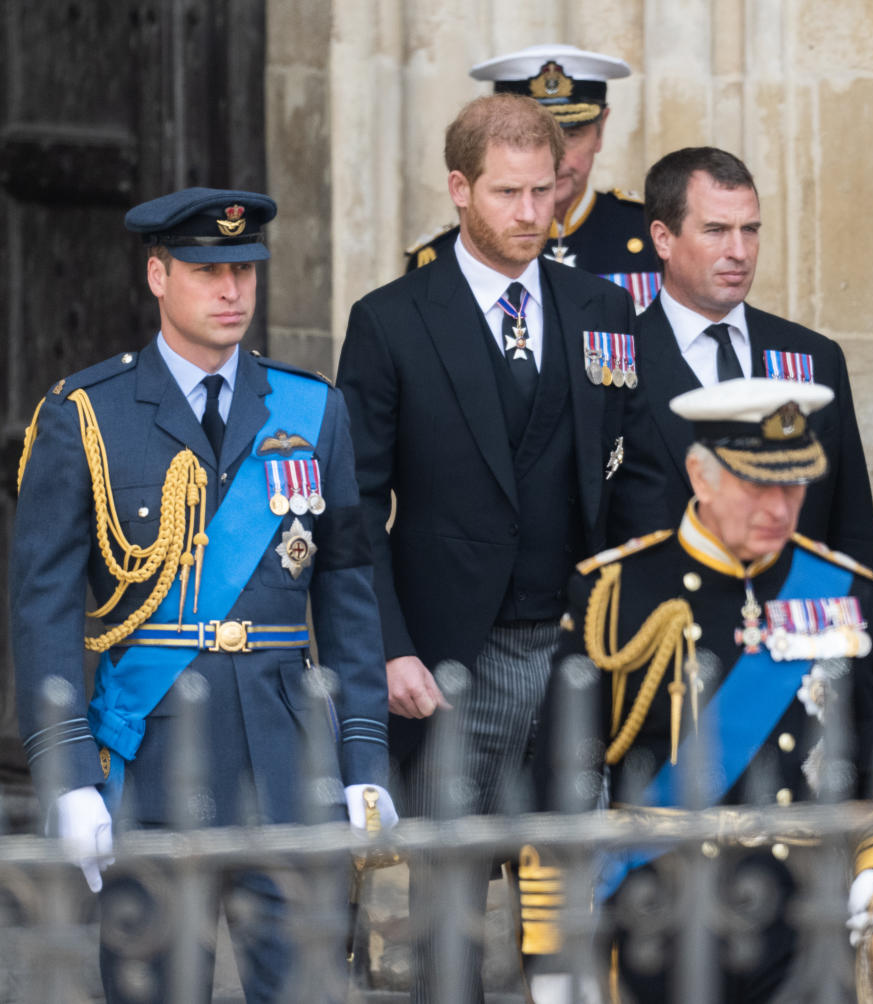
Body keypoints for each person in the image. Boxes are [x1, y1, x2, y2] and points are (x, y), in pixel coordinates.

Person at [10, 187, 395, 1002]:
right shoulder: (87, 415)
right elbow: (42, 609)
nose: (231, 290)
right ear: (158, 275)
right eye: (207, 270)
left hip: (288, 763)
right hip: (152, 762)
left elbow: (349, 591)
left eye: (245, 271)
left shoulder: (310, 408)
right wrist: (68, 774)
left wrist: (364, 757)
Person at [337, 93, 662, 1003]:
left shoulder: (602, 307)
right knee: (447, 909)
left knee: (566, 902)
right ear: (459, 190)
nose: (532, 215)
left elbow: (633, 474)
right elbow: (356, 505)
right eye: (509, 193)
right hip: (447, 657)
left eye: (545, 192)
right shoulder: (392, 320)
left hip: (572, 646)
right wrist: (389, 647)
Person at [524, 377, 873, 1003]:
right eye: (757, 485)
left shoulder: (838, 590)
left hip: (805, 923)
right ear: (701, 477)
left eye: (793, 485)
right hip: (660, 915)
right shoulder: (617, 592)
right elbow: (559, 783)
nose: (780, 509)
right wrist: (554, 949)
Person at [611, 146, 873, 686]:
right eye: (716, 230)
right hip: (664, 664)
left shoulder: (812, 358)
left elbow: (850, 532)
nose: (738, 251)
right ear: (663, 239)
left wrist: (871, 682)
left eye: (751, 230)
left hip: (794, 662)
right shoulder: (615, 362)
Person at [406, 43, 663, 314]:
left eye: (572, 134)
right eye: (529, 143)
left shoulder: (650, 234)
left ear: (600, 131)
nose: (555, 159)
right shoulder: (440, 255)